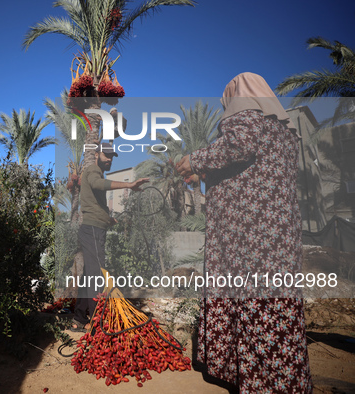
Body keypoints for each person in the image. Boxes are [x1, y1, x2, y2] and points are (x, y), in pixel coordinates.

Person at [175, 72, 312, 393]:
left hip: (250, 235)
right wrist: (207, 174)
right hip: (277, 234)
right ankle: (280, 376)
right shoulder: (280, 130)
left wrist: (193, 161)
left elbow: (239, 144)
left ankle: (262, 380)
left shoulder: (247, 117)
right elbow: (250, 167)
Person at [71, 142, 149, 332]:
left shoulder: (95, 171)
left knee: (90, 275)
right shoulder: (93, 171)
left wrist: (107, 219)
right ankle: (98, 324)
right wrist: (129, 184)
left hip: (94, 228)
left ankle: (79, 319)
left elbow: (94, 204)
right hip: (92, 230)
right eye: (106, 155)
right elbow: (99, 184)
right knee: (97, 276)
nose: (109, 159)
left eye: (112, 156)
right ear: (97, 154)